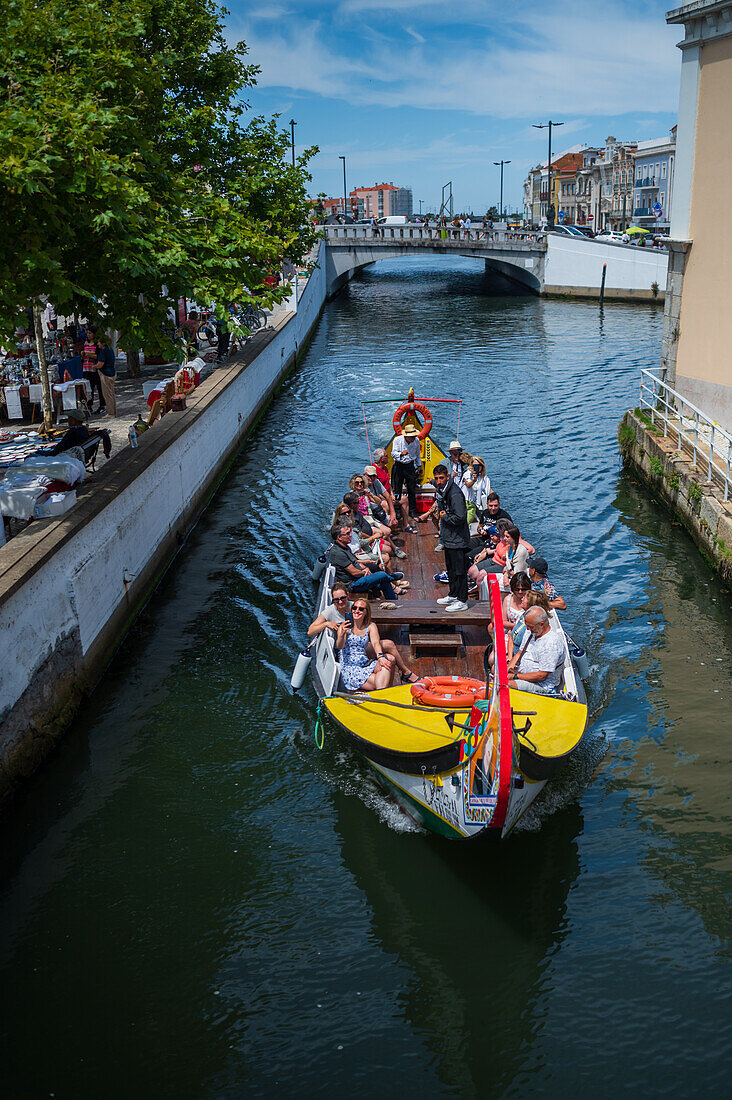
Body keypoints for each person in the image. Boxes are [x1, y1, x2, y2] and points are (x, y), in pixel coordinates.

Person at [308, 584, 418, 681]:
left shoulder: (355, 606)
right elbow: (310, 631)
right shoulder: (330, 611)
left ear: (347, 595)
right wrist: (327, 624)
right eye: (336, 599)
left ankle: (405, 672)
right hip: (343, 648)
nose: (340, 602)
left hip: (359, 644)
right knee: (386, 655)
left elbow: (368, 625)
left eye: (343, 598)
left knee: (389, 646)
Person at [328, 523, 402, 600]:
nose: (350, 535)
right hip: (352, 584)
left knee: (384, 580)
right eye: (347, 534)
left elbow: (356, 562)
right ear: (339, 537)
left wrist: (365, 568)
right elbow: (354, 573)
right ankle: (391, 577)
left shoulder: (345, 547)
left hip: (359, 578)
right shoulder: (338, 553)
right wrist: (364, 572)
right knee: (381, 575)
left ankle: (392, 600)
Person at [433, 463, 470, 612]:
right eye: (436, 478)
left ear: (448, 477)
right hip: (449, 539)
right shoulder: (443, 490)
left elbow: (461, 517)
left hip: (458, 540)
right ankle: (453, 594)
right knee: (451, 569)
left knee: (460, 571)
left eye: (441, 478)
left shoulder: (454, 493)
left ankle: (462, 600)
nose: (439, 481)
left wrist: (445, 517)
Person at [335, 599, 394, 692]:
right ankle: (384, 695)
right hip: (350, 667)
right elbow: (339, 646)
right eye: (354, 608)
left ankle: (383, 694)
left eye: (361, 609)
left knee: (386, 663)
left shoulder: (370, 626)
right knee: (380, 680)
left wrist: (380, 657)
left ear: (366, 612)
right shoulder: (345, 626)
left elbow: (375, 643)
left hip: (364, 663)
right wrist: (341, 634)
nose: (357, 611)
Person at [507, 607, 566, 695]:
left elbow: (541, 676)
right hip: (519, 674)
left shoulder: (551, 644)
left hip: (541, 685)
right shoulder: (531, 631)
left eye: (530, 627)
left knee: (506, 685)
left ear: (541, 624)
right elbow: (519, 653)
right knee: (497, 675)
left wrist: (515, 676)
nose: (527, 629)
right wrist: (507, 670)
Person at [390, 423, 422, 520]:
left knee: (412, 489)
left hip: (410, 466)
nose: (413, 438)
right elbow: (393, 453)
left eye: (414, 436)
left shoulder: (416, 441)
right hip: (399, 466)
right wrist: (401, 454)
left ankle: (412, 511)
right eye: (411, 437)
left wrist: (419, 465)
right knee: (397, 489)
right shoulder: (397, 440)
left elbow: (417, 454)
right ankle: (398, 511)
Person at [82, 330, 103, 414]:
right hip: (86, 368)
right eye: (87, 333)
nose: (88, 335)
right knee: (89, 388)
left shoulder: (97, 344)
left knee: (99, 387)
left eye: (90, 333)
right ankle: (89, 406)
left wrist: (90, 354)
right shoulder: (85, 343)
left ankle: (102, 405)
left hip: (95, 368)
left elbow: (99, 356)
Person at [94, 339, 116, 417]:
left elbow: (100, 364)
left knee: (107, 394)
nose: (97, 344)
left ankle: (110, 413)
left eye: (99, 342)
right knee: (111, 394)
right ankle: (112, 411)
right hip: (111, 373)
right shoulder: (110, 350)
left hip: (106, 374)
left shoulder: (104, 351)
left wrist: (94, 366)